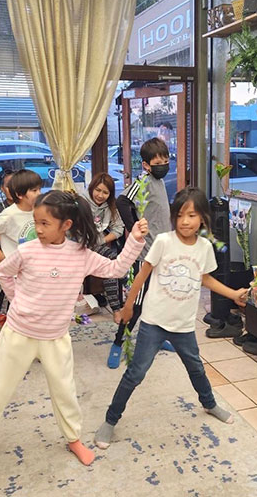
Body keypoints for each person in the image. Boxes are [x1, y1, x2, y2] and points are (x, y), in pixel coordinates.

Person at [0, 190, 148, 489]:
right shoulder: (27, 251)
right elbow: (2, 271)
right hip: (19, 334)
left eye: (44, 223)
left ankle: (73, 439)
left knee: (65, 393)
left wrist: (135, 240)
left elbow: (116, 269)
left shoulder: (80, 254)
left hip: (55, 338)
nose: (38, 229)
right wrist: (17, 299)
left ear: (66, 225)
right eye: (36, 221)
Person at [94, 188, 249, 450]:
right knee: (135, 373)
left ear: (203, 218)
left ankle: (209, 403)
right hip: (154, 321)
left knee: (196, 368)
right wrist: (128, 306)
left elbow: (206, 279)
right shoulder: (164, 242)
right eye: (180, 215)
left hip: (184, 325)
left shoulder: (204, 247)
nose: (185, 221)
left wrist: (233, 294)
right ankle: (110, 420)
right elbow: (142, 275)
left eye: (192, 215)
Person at [108, 137, 172, 368]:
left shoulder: (159, 181)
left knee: (161, 300)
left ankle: (158, 339)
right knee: (136, 304)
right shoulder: (143, 180)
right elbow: (122, 201)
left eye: (166, 161)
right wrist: (135, 228)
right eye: (158, 162)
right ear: (146, 165)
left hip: (163, 251)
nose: (163, 166)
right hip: (146, 254)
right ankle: (118, 343)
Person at [0, 169, 42, 263]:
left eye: (39, 189)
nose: (39, 193)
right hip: (16, 267)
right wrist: (0, 256)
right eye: (34, 190)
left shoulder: (39, 210)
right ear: (19, 194)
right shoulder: (9, 214)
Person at [85, 172, 125, 322]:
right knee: (112, 259)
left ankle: (116, 309)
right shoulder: (81, 202)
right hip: (78, 246)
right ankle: (116, 307)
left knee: (111, 260)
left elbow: (119, 228)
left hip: (95, 246)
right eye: (98, 190)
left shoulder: (110, 207)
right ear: (91, 188)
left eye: (105, 192)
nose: (100, 195)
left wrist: (102, 240)